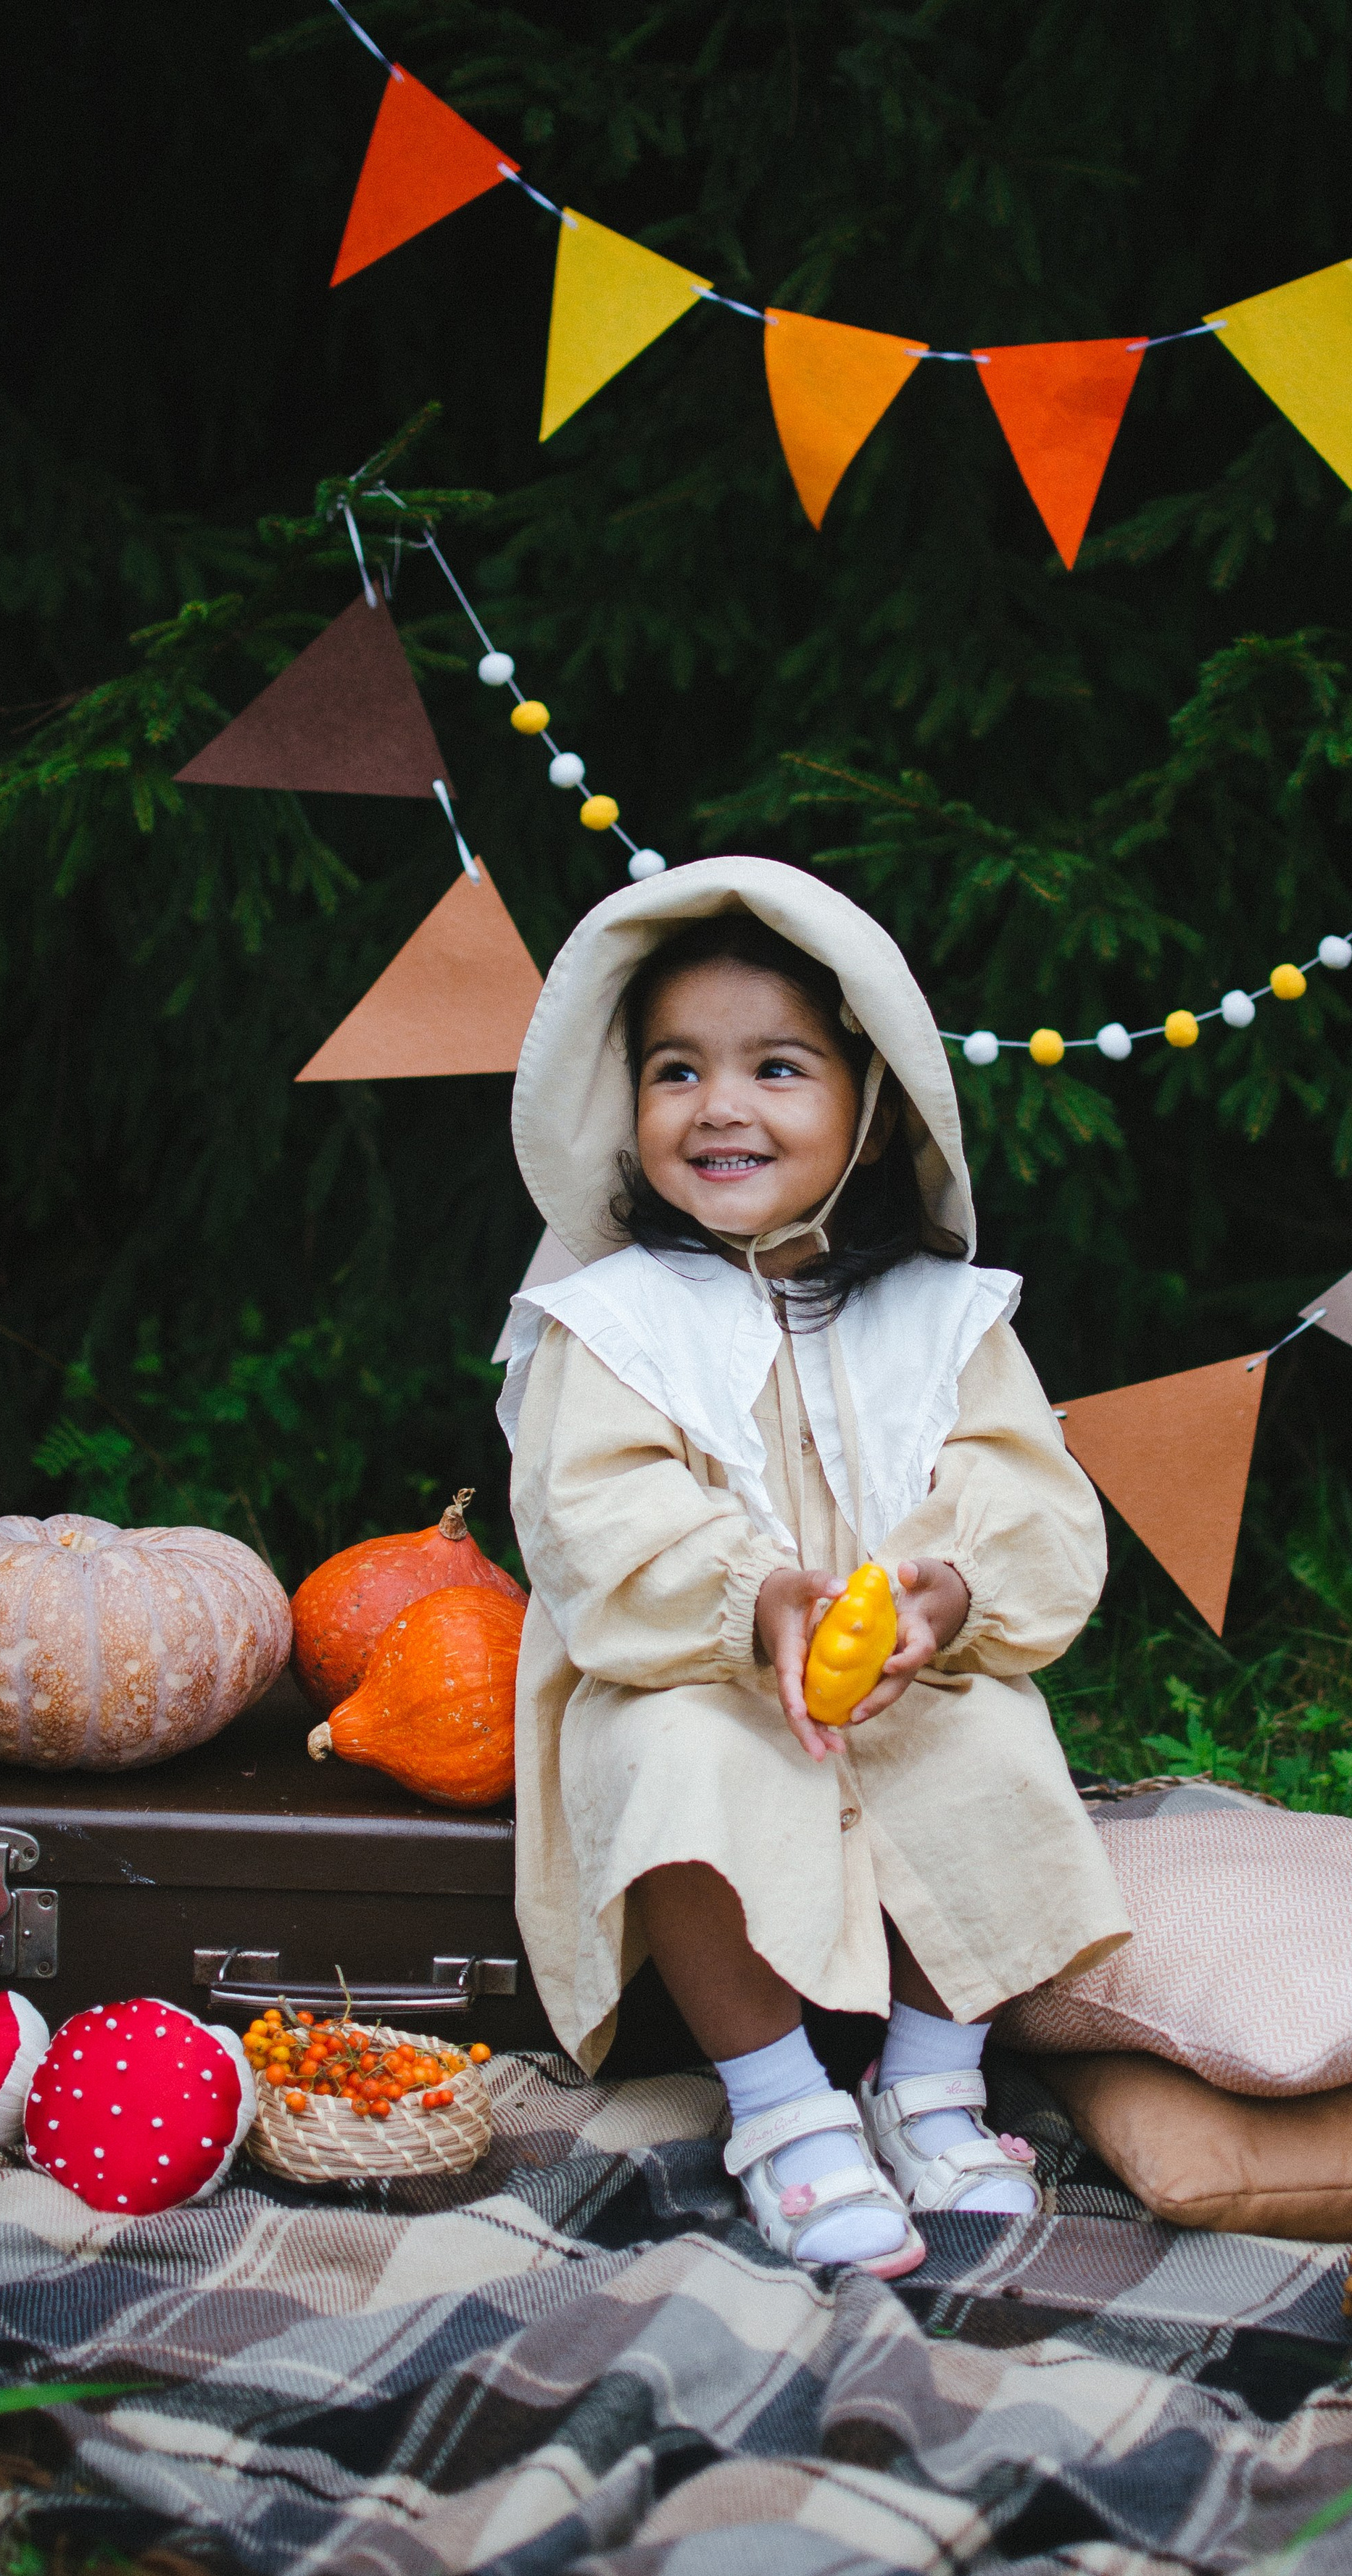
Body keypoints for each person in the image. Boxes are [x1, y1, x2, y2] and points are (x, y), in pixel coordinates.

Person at [501, 857, 1128, 2276]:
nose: (719, 1105)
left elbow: (1025, 1490)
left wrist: (945, 1591)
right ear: (627, 1109)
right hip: (688, 1656)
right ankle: (779, 2106)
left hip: (897, 1656)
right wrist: (755, 1598)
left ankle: (923, 2079)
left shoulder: (940, 1313)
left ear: (868, 1099)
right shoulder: (612, 1319)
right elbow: (595, 1516)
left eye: (774, 1067)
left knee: (991, 1746)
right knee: (679, 1764)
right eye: (675, 1071)